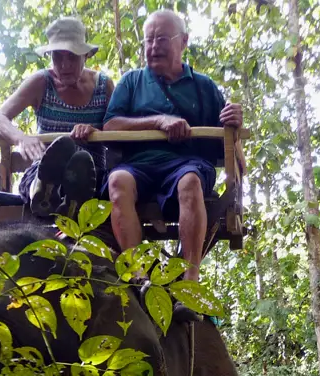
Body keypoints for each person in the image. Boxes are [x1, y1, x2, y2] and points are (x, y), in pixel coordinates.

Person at [102, 10, 243, 282]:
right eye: (149, 40)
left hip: (187, 165)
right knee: (117, 180)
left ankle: (190, 278)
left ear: (183, 42)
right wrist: (159, 122)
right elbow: (110, 125)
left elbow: (226, 134)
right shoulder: (132, 81)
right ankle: (136, 272)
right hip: (139, 165)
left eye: (162, 39)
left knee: (190, 182)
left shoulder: (203, 86)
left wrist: (233, 120)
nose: (154, 47)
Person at [0, 17, 116, 217]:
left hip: (92, 174)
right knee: (42, 170)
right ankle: (42, 193)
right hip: (45, 167)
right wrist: (21, 138)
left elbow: (117, 131)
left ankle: (73, 199)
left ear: (86, 55)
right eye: (57, 57)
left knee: (84, 166)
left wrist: (95, 132)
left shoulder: (103, 85)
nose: (64, 65)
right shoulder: (42, 82)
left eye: (72, 57)